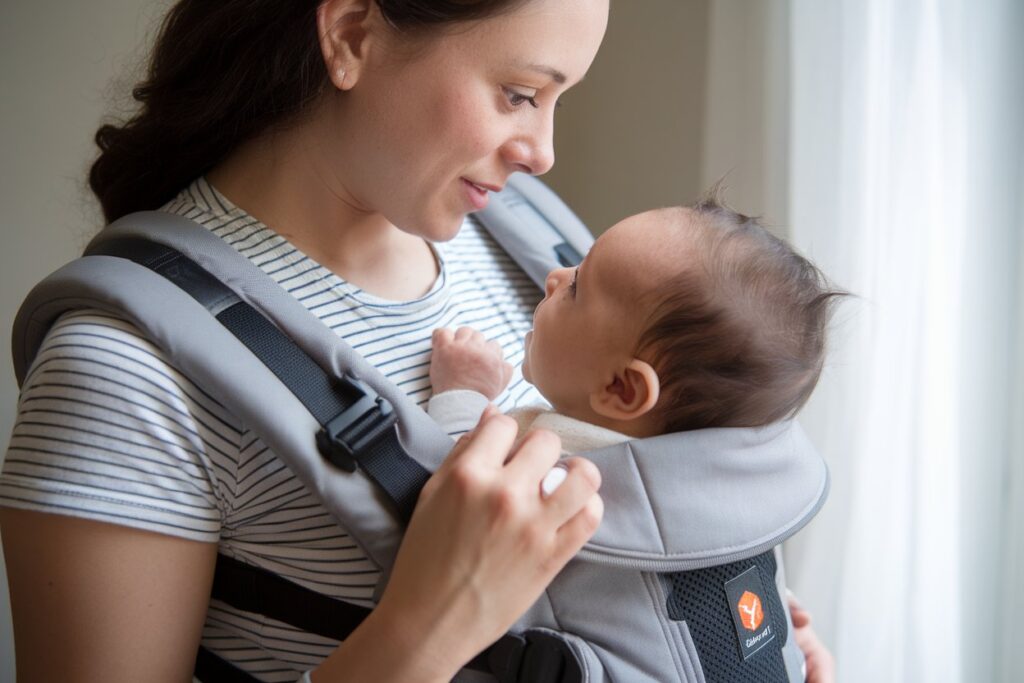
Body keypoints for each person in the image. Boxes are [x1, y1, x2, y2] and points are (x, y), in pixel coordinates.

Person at [0, 2, 834, 682]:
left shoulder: (523, 237)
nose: (543, 152)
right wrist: (425, 630)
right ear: (353, 35)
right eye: (517, 92)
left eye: (558, 97)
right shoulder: (123, 369)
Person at [427, 198, 844, 677]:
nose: (555, 275)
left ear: (621, 389)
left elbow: (454, 505)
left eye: (577, 288)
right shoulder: (738, 485)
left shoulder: (563, 481)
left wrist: (463, 395)